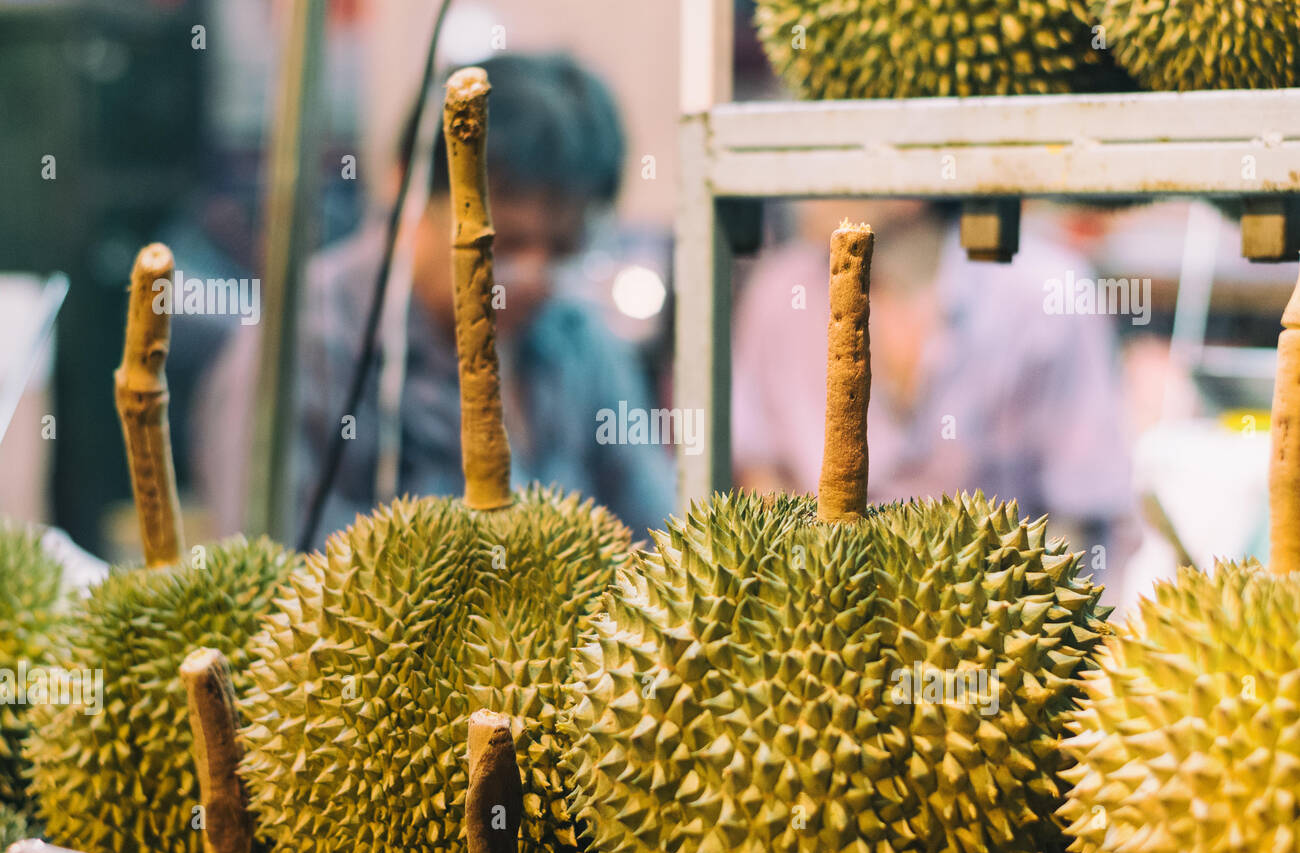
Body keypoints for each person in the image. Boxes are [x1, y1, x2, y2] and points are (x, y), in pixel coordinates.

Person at [194, 54, 675, 549]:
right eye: (504, 247)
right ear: (407, 185)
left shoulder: (580, 343)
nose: (533, 279)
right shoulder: (303, 347)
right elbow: (273, 568)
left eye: (561, 250)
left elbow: (659, 526)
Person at [732, 201, 1138, 590]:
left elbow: (1084, 511)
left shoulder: (1047, 295)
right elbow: (762, 477)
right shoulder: (781, 293)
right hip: (822, 606)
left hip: (993, 611)